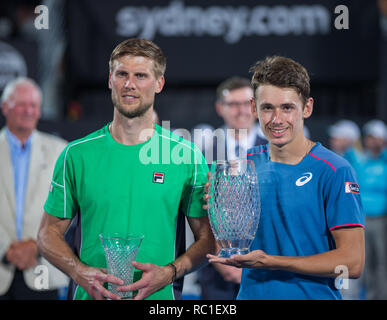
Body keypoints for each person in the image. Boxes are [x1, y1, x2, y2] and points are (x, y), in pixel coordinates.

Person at [37, 38, 216, 300]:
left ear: (159, 83)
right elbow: (47, 234)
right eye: (122, 74)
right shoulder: (75, 154)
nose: (129, 84)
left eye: (141, 76)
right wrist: (79, 272)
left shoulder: (186, 156)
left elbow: (207, 240)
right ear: (110, 80)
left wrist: (169, 272)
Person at [207, 56, 365, 300]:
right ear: (254, 108)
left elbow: (352, 263)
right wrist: (216, 211)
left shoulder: (334, 170)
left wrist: (272, 262)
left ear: (307, 107)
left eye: (287, 107)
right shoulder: (244, 166)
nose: (276, 119)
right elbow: (227, 236)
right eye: (267, 107)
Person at [0, 77, 68, 299]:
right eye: (22, 104)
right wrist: (6, 251)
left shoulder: (61, 151)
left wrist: (36, 247)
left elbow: (71, 211)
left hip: (43, 269)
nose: (28, 111)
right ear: (5, 107)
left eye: (34, 105)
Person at [199, 76, 267, 300]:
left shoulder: (274, 149)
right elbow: (196, 210)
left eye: (247, 103)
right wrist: (221, 262)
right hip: (216, 271)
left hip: (266, 266)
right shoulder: (204, 150)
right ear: (220, 108)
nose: (241, 111)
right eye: (233, 104)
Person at [351, 120, 387, 299]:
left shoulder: (384, 160)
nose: (371, 141)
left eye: (376, 138)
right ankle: (366, 295)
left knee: (381, 261)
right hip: (363, 219)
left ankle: (381, 295)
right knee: (364, 261)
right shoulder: (361, 160)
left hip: (381, 219)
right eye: (369, 137)